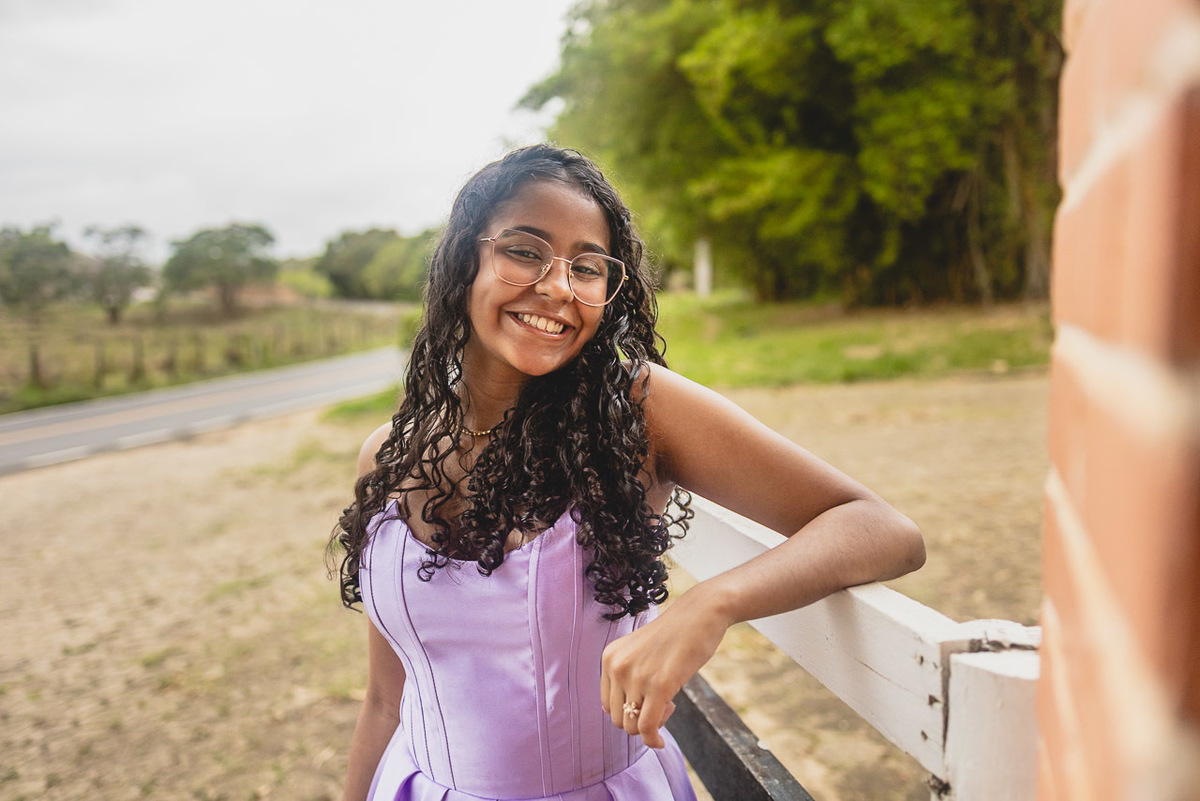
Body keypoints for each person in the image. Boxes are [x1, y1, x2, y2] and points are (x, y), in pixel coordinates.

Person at [330, 144, 926, 801]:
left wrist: (711, 604)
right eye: (525, 250)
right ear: (464, 259)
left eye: (588, 266)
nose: (558, 286)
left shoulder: (635, 415)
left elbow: (882, 529)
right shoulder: (387, 457)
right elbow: (386, 702)